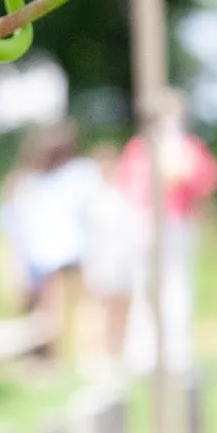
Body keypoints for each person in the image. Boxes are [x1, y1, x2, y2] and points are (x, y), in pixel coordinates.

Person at [117, 90, 217, 376]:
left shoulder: (188, 148)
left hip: (176, 224)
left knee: (176, 289)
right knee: (145, 288)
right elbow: (127, 191)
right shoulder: (139, 149)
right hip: (144, 224)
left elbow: (201, 187)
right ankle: (142, 354)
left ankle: (177, 354)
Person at [0, 120, 100, 365]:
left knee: (61, 309)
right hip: (61, 253)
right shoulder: (74, 175)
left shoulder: (36, 181)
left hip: (53, 254)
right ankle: (68, 357)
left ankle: (69, 357)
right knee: (65, 309)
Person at [80, 143, 140, 370]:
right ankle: (98, 355)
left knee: (122, 307)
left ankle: (118, 353)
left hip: (123, 260)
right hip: (101, 260)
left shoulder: (124, 194)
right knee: (101, 308)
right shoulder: (92, 196)